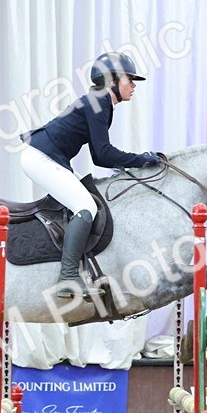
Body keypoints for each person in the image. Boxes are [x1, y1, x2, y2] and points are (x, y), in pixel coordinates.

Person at [20, 51, 161, 300]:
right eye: (130, 80)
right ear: (112, 81)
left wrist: (140, 160)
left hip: (46, 157)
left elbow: (99, 155)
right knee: (85, 207)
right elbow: (104, 154)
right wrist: (142, 159)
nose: (133, 87)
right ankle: (68, 278)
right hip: (41, 158)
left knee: (87, 201)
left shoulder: (99, 101)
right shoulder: (99, 101)